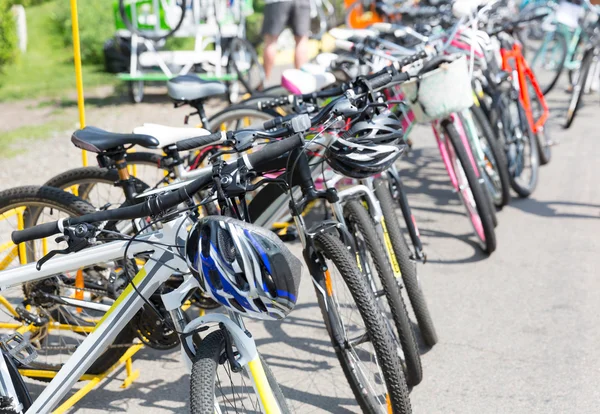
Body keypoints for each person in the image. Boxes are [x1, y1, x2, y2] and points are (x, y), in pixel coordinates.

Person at [261, 0, 311, 81]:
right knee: (301, 41)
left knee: (271, 42)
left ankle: (263, 83)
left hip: (276, 2)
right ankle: (301, 83)